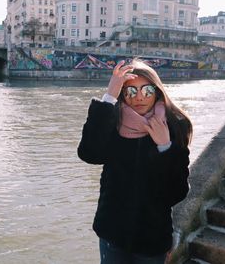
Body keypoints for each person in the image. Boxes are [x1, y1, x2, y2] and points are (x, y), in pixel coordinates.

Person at [77, 58, 193, 264]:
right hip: (112, 231)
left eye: (146, 90)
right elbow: (89, 154)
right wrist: (109, 96)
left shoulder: (176, 125)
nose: (139, 97)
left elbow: (177, 192)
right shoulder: (113, 119)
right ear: (122, 93)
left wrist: (165, 147)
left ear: (157, 91)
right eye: (130, 91)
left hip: (152, 237)